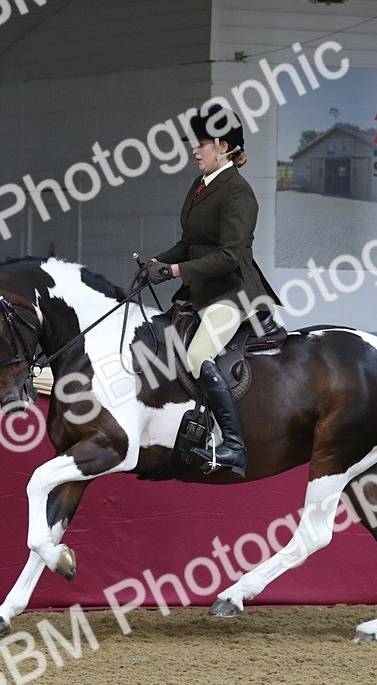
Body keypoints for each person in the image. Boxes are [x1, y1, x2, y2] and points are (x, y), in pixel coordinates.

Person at [146, 104, 280, 476]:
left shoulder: (239, 194)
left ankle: (234, 446)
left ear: (222, 146)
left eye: (201, 144)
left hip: (232, 291)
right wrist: (157, 262)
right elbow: (190, 242)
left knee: (197, 353)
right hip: (201, 290)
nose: (194, 150)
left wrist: (174, 270)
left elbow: (228, 256)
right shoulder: (202, 185)